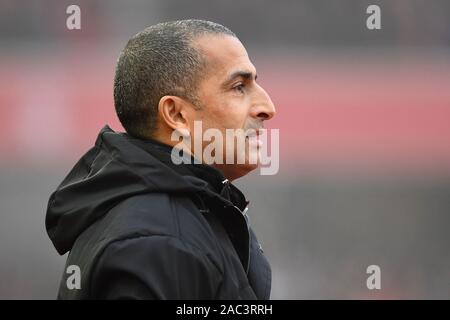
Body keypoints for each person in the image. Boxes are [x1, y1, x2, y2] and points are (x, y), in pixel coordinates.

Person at [45, 19, 276, 299]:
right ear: (176, 115)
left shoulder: (174, 222)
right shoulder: (158, 242)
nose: (267, 108)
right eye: (239, 86)